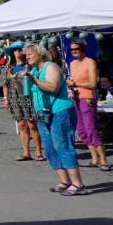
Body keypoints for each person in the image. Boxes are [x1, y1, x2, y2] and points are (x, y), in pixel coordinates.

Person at [24, 44, 88, 195]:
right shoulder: (34, 71)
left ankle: (78, 184)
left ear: (39, 54)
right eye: (26, 55)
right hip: (43, 114)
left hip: (60, 111)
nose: (27, 57)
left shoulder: (50, 67)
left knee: (63, 145)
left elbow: (53, 87)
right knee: (50, 147)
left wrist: (33, 81)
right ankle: (65, 181)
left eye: (30, 54)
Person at [67, 42, 109, 171]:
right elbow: (73, 80)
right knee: (81, 131)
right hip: (76, 98)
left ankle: (103, 160)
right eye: (72, 49)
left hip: (87, 98)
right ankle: (94, 157)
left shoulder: (90, 62)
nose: (74, 51)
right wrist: (70, 83)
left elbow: (92, 83)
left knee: (90, 129)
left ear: (83, 49)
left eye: (77, 49)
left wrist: (75, 83)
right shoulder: (72, 64)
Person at [2, 48, 44, 162]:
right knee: (21, 125)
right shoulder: (8, 67)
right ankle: (26, 153)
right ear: (12, 53)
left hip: (28, 97)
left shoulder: (29, 65)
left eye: (20, 50)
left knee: (32, 124)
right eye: (15, 50)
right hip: (14, 97)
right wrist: (6, 99)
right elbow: (5, 84)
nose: (18, 52)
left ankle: (39, 152)